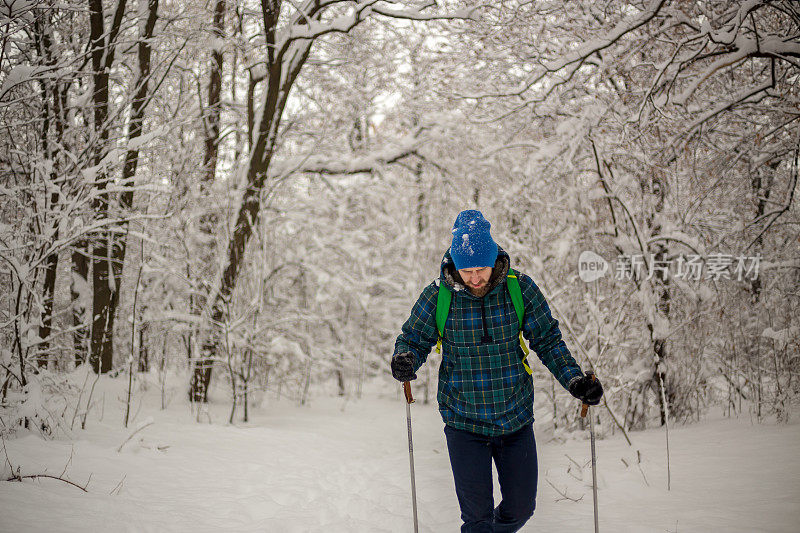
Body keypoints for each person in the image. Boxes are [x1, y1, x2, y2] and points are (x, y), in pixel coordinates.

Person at [391, 209, 603, 533]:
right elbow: (414, 338)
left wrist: (574, 380)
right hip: (464, 422)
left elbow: (548, 340)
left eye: (481, 269)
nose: (474, 278)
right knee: (477, 520)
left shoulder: (519, 289)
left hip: (514, 419)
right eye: (467, 271)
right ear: (454, 266)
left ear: (495, 259)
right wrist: (405, 358)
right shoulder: (439, 295)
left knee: (522, 507)